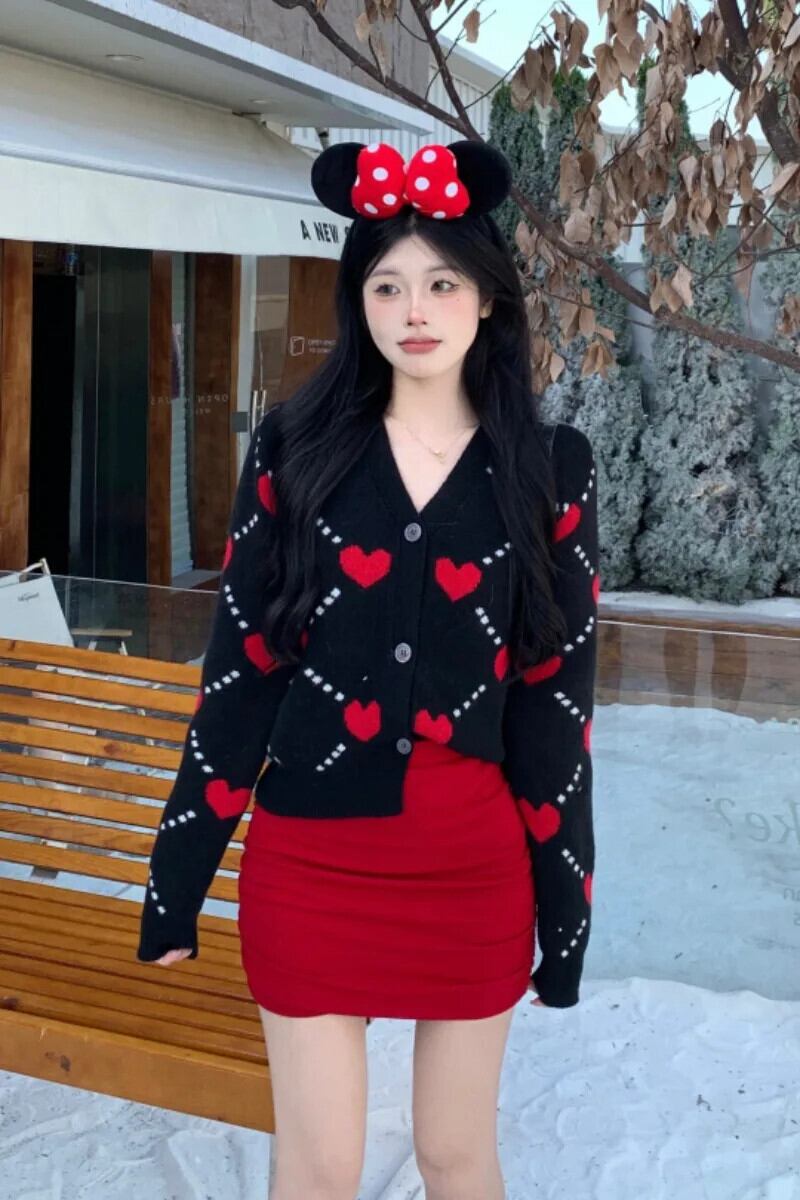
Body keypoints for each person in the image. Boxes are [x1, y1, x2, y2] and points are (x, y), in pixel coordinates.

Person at [137, 139, 599, 1200]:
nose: (414, 309)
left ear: (488, 298)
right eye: (386, 285)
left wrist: (564, 915)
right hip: (309, 865)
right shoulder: (294, 451)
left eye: (441, 283)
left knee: (454, 1153)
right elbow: (241, 674)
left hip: (471, 870)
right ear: (359, 303)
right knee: (318, 1165)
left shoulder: (548, 470)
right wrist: (176, 883)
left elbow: (555, 707)